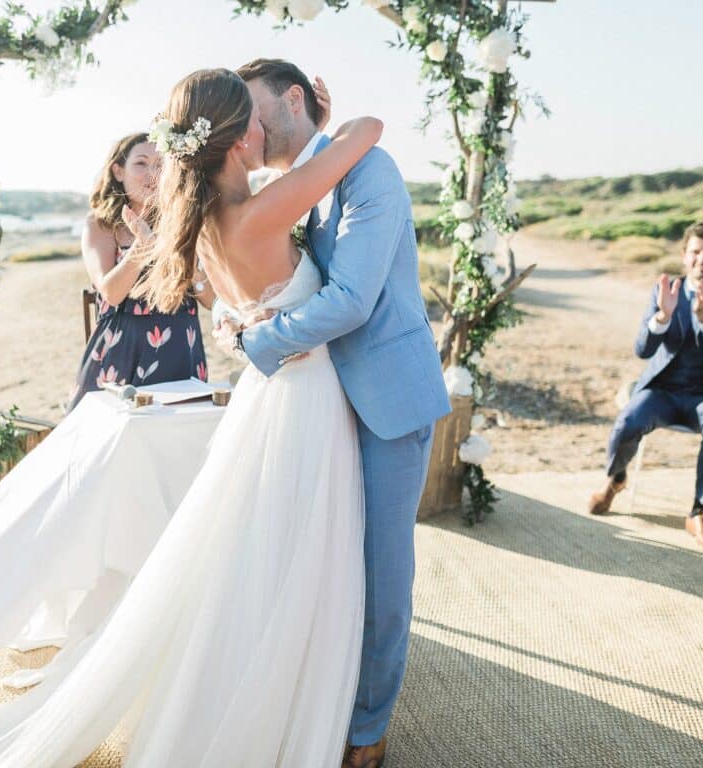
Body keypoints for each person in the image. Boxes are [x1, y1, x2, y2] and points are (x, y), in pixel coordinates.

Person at [0, 68, 388, 767]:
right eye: (251, 119)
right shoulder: (260, 210)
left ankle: (273, 684)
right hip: (303, 401)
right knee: (299, 555)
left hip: (270, 397)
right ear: (231, 136)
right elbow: (367, 133)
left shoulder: (212, 219)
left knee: (268, 553)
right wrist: (325, 117)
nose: (262, 129)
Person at [215, 59, 450, 768]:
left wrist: (257, 342)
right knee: (321, 566)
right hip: (317, 408)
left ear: (295, 100)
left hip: (385, 400)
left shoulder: (369, 172)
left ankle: (367, 728)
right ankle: (320, 691)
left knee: (380, 578)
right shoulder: (288, 185)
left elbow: (349, 299)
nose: (248, 130)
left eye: (254, 112)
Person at [588, 221, 703, 551]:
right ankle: (616, 479)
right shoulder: (666, 289)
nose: (702, 258)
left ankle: (699, 513)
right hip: (663, 392)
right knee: (628, 420)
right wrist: (662, 318)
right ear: (684, 255)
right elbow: (642, 350)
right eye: (696, 251)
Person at [65, 132, 211, 413]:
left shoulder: (184, 221)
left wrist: (188, 258)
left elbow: (209, 300)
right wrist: (142, 246)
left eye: (161, 165)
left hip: (182, 348)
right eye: (141, 164)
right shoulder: (101, 224)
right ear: (118, 171)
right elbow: (111, 292)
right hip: (122, 350)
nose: (153, 174)